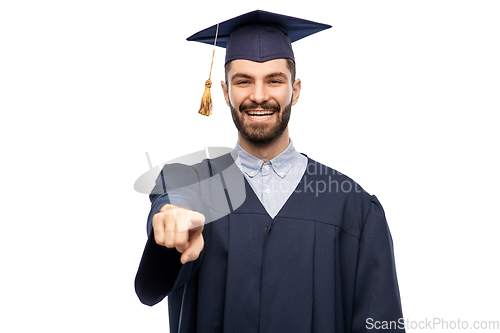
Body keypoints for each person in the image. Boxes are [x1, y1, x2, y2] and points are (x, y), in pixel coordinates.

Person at [135, 10, 405, 333]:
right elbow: (150, 285)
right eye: (243, 81)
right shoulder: (190, 189)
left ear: (296, 89)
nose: (259, 95)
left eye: (274, 80)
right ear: (224, 93)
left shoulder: (354, 209)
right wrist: (167, 224)